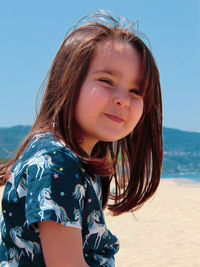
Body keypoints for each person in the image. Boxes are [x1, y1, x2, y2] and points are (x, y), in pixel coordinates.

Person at [0, 10, 163, 267]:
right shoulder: (56, 163)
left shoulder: (71, 158)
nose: (123, 98)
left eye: (136, 90)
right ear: (67, 83)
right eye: (107, 80)